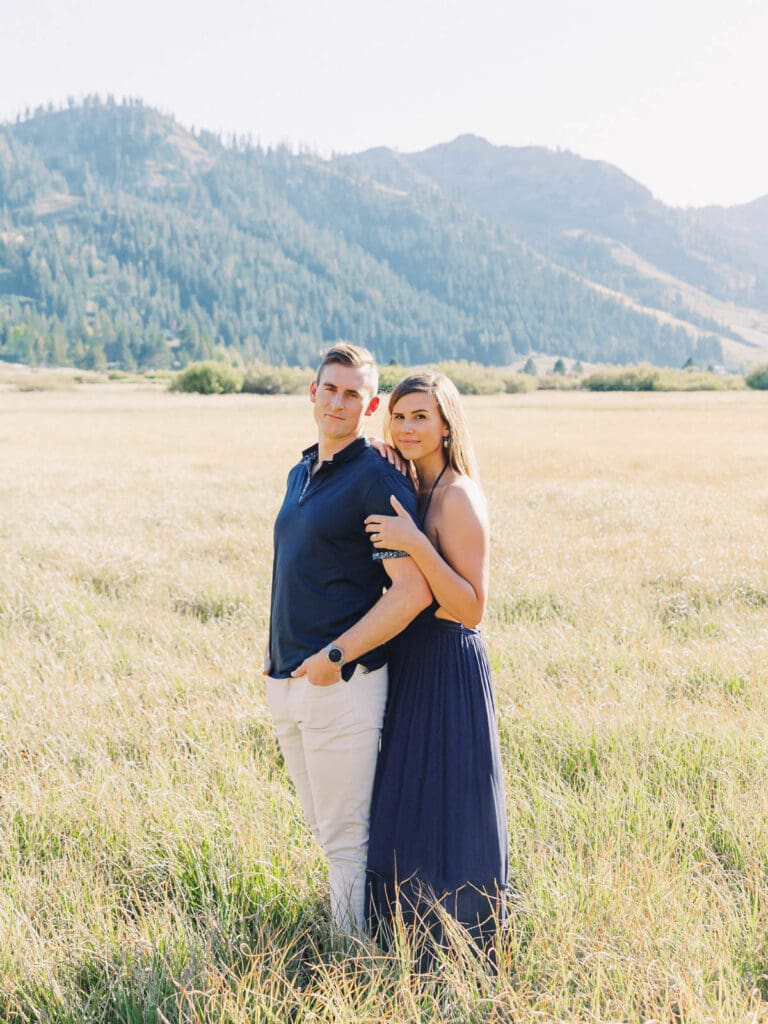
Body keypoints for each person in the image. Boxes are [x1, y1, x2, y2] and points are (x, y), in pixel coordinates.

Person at [263, 343, 432, 935]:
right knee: (325, 830)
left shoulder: (375, 479)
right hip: (289, 680)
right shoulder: (302, 470)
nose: (338, 402)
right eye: (330, 389)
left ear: (372, 404)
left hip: (343, 681)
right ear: (313, 392)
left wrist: (335, 657)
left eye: (353, 394)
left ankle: (351, 962)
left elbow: (410, 592)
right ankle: (352, 943)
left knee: (345, 841)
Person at [364, 370, 508, 961]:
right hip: (410, 660)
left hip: (449, 661)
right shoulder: (408, 483)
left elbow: (471, 608)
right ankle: (401, 942)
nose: (407, 427)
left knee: (453, 807)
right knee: (406, 802)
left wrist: (417, 543)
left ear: (447, 424)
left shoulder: (457, 496)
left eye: (421, 416)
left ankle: (467, 949)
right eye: (399, 416)